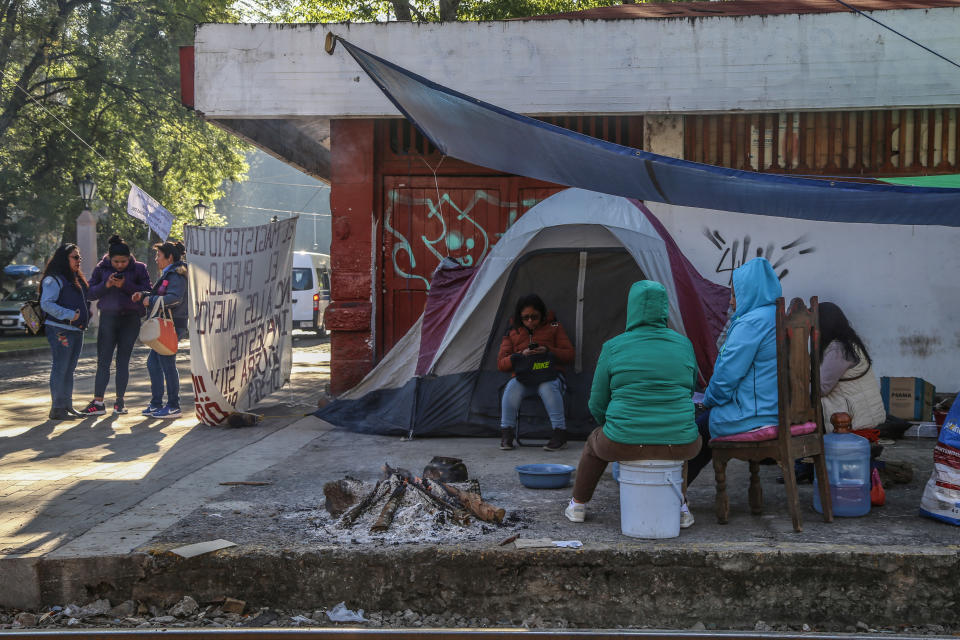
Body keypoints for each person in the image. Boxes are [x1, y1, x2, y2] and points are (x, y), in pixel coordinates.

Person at [565, 281, 702, 526]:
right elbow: (689, 390)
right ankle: (680, 508)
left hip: (622, 440)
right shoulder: (684, 345)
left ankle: (578, 505)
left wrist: (613, 426)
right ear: (664, 309)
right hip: (681, 443)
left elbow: (597, 402)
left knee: (593, 445)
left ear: (632, 308)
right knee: (677, 434)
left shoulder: (613, 346)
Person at [687, 257, 782, 485]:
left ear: (750, 292)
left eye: (734, 294)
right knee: (705, 421)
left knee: (692, 431)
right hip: (778, 411)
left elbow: (726, 378)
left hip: (754, 415)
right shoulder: (778, 316)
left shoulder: (751, 323)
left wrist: (707, 400)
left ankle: (672, 495)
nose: (730, 302)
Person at [79, 236, 152, 416]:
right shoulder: (101, 268)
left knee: (123, 361)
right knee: (103, 360)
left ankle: (119, 401)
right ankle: (98, 402)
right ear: (110, 259)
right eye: (116, 262)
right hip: (108, 318)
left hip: (130, 319)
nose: (120, 265)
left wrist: (125, 285)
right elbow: (90, 293)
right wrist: (107, 284)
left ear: (130, 258)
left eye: (123, 262)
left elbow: (148, 293)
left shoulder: (139, 268)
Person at [497, 293, 574, 452]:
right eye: (526, 318)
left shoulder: (553, 325)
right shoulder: (512, 329)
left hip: (549, 374)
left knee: (547, 387)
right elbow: (501, 364)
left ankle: (560, 433)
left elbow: (569, 354)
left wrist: (548, 350)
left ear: (542, 314)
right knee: (512, 388)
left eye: (535, 317)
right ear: (520, 317)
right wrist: (519, 356)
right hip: (524, 375)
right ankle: (506, 433)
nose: (530, 321)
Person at [132, 241, 188, 419]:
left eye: (159, 255)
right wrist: (144, 295)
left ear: (169, 257)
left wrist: (152, 300)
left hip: (172, 325)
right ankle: (157, 404)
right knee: (154, 364)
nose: (156, 259)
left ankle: (173, 406)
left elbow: (175, 298)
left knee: (166, 364)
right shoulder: (169, 273)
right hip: (165, 324)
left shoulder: (177, 274)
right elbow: (164, 296)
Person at [39, 244, 90, 420]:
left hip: (76, 330)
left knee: (69, 369)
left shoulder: (74, 277)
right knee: (61, 368)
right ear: (64, 259)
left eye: (79, 257)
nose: (78, 260)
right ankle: (57, 408)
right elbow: (46, 303)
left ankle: (67, 405)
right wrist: (69, 315)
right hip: (60, 330)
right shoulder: (53, 280)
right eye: (75, 257)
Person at [819, 302, 886, 430]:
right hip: (868, 416)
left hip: (856, 422)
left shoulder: (839, 349)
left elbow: (821, 388)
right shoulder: (849, 342)